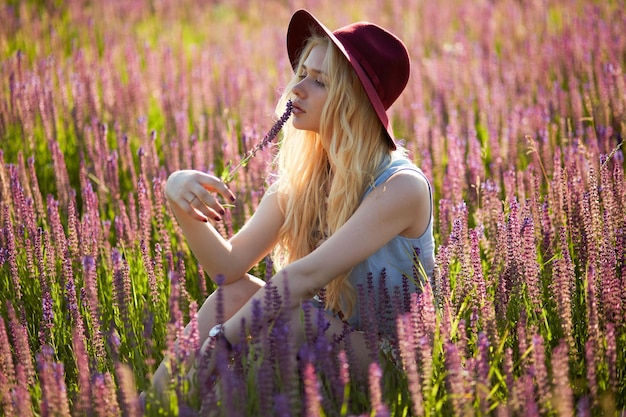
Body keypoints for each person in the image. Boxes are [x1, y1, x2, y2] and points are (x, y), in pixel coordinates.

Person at [148, 8, 435, 401]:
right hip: (327, 342)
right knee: (233, 294)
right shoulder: (306, 177)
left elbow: (303, 277)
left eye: (319, 82)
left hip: (391, 367)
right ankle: (151, 405)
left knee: (300, 317)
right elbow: (227, 267)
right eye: (301, 74)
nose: (296, 90)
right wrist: (177, 193)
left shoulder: (402, 187)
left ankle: (212, 409)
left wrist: (222, 341)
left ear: (354, 103)